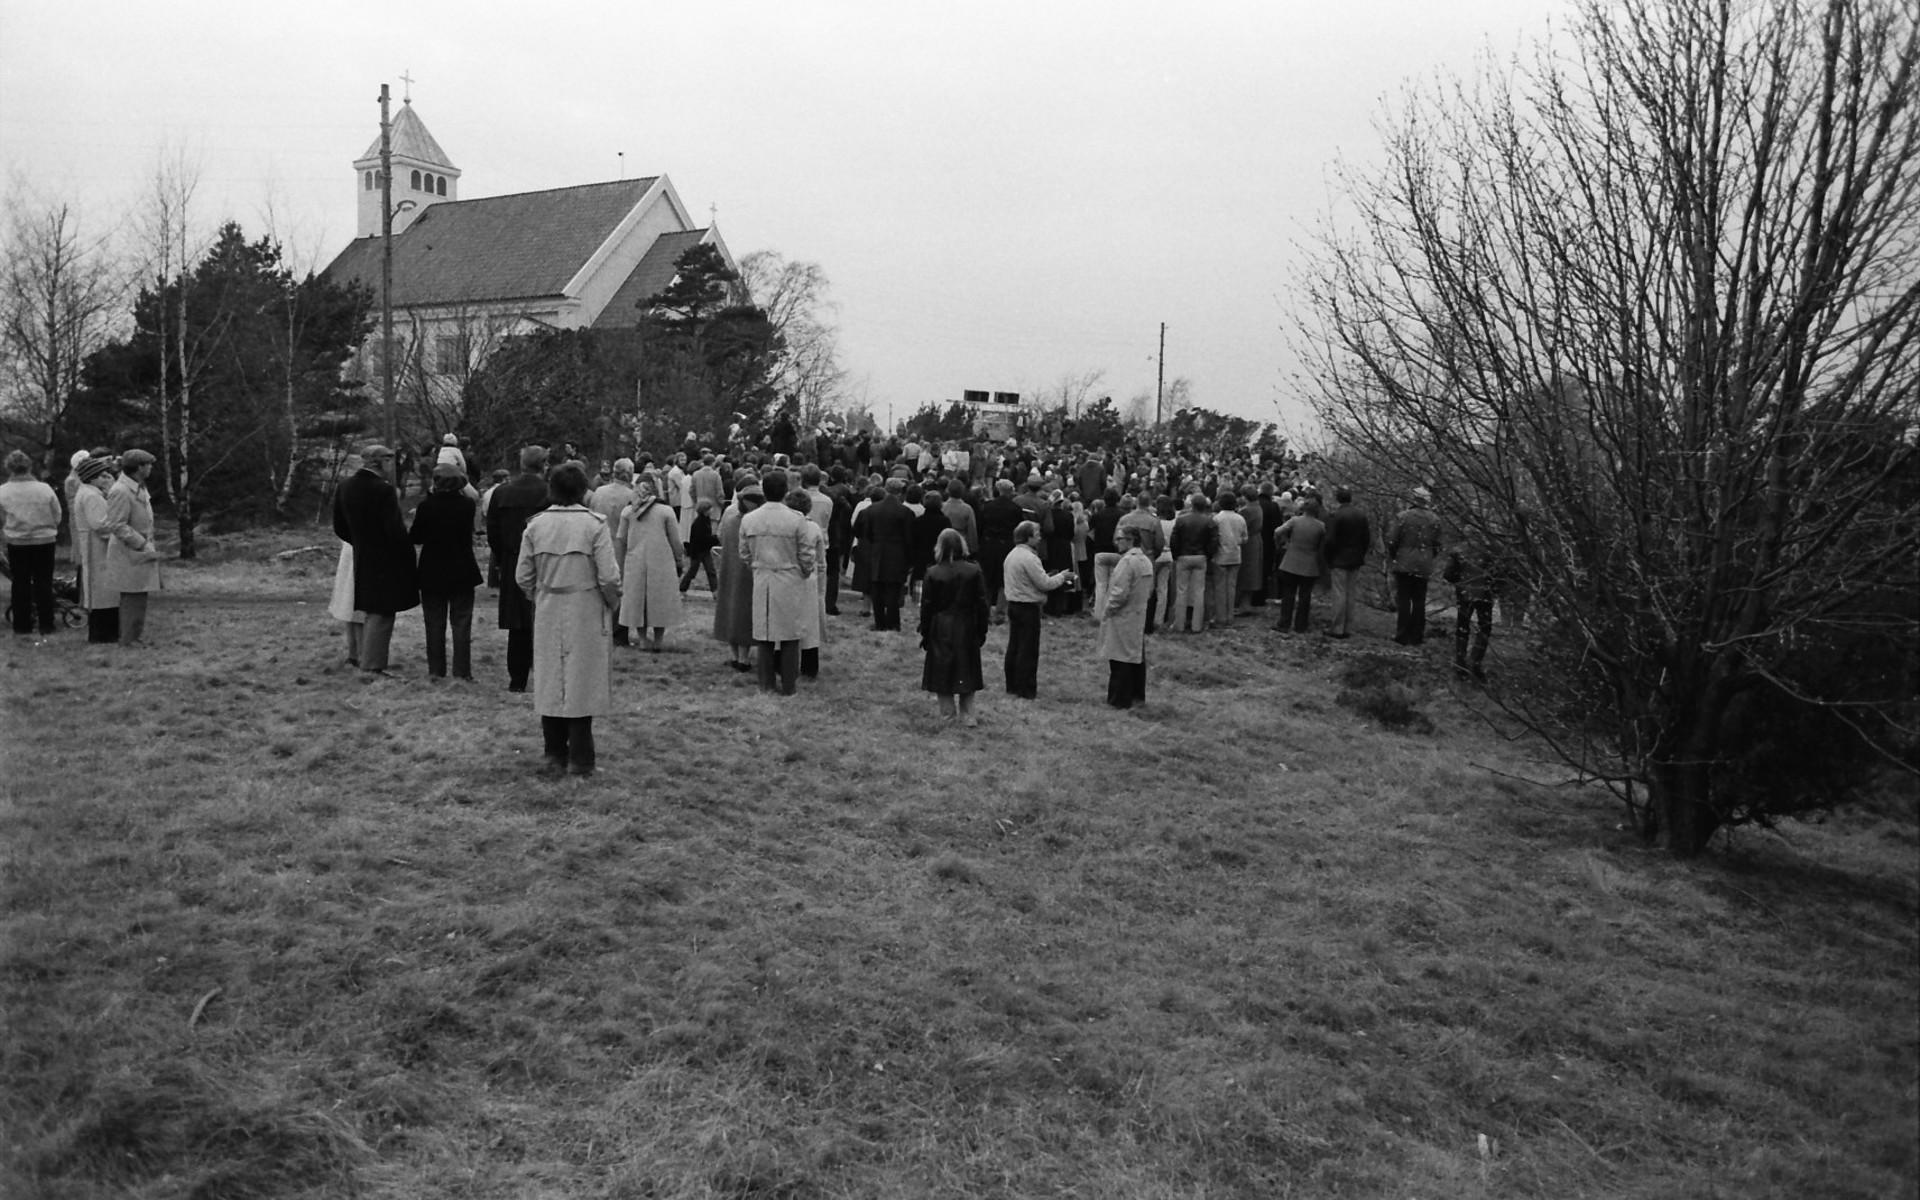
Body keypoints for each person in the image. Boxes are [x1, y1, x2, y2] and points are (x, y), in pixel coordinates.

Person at [515, 463, 620, 777]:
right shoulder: (594, 525)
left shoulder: (536, 526)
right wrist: (610, 604)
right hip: (585, 607)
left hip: (549, 607)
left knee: (551, 677)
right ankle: (581, 759)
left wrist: (542, 595)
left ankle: (555, 754)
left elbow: (522, 576)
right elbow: (610, 577)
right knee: (581, 680)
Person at [333, 444, 419, 675]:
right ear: (379, 462)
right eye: (390, 459)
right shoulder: (383, 490)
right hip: (386, 557)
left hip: (362, 555)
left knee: (370, 609)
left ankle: (366, 660)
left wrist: (360, 542)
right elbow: (394, 529)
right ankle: (373, 664)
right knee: (382, 611)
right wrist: (406, 554)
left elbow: (339, 525)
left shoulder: (345, 486)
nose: (393, 465)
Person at [738, 469, 817, 695]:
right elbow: (806, 553)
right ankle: (789, 685)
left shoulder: (749, 519)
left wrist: (757, 566)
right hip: (789, 578)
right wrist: (804, 571)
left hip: (763, 577)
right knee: (791, 634)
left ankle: (766, 684)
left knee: (764, 634)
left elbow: (743, 553)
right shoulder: (796, 519)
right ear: (785, 491)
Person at [410, 462, 483, 680]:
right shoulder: (467, 505)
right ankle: (462, 672)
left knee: (434, 623)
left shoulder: (426, 507)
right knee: (461, 623)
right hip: (462, 568)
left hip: (432, 569)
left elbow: (416, 537)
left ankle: (436, 670)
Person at [487, 447, 550, 691]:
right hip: (545, 561)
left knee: (517, 624)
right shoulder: (549, 492)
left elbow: (493, 531)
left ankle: (517, 679)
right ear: (543, 465)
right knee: (545, 619)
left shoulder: (502, 492)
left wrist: (503, 557)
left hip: (513, 559)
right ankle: (545, 677)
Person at [919, 527, 990, 725]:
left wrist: (925, 632)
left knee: (942, 669)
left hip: (941, 625)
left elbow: (926, 606)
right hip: (966, 624)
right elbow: (982, 603)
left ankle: (947, 714)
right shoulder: (973, 571)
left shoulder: (933, 573)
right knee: (967, 667)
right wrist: (982, 629)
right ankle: (968, 715)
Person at [1001, 519, 1073, 699]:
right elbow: (1045, 584)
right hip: (1028, 608)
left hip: (1014, 604)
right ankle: (1025, 689)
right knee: (1028, 650)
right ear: (1028, 537)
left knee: (1015, 647)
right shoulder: (1030, 558)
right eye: (1037, 534)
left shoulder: (1012, 555)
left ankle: (1012, 685)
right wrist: (1062, 577)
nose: (1040, 538)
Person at [614, 475, 686, 653]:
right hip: (661, 561)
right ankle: (658, 640)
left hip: (635, 560)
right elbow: (676, 541)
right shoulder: (666, 511)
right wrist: (679, 559)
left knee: (638, 600)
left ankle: (643, 639)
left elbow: (621, 539)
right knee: (658, 600)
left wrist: (619, 564)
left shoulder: (628, 512)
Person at [103, 449, 164, 647]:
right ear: (139, 468)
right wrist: (142, 544)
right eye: (148, 464)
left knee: (140, 594)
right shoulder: (120, 491)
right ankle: (129, 639)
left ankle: (134, 636)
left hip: (138, 551)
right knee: (132, 595)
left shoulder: (138, 487)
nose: (151, 468)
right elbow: (117, 524)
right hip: (128, 551)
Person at [0, 449, 63, 639]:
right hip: (44, 540)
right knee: (43, 582)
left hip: (17, 541)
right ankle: (46, 623)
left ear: (8, 468)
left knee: (20, 583)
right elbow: (57, 515)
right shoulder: (44, 489)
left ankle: (22, 625)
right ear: (29, 466)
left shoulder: (3, 491)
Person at [1098, 524, 1155, 709]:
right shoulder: (1145, 560)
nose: (1117, 542)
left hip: (1123, 615)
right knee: (1135, 658)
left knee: (1120, 659)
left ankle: (1119, 699)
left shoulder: (1127, 562)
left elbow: (1119, 592)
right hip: (1138, 615)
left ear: (1130, 540)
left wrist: (1108, 610)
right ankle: (1137, 696)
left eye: (1120, 538)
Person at [713, 472, 763, 672]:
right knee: (745, 610)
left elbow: (719, 534)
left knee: (729, 607)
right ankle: (744, 656)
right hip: (748, 567)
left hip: (728, 564)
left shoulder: (729, 513)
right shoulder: (756, 517)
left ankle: (734, 655)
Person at [1386, 486, 1445, 646]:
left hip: (1404, 562)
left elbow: (1392, 540)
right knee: (1419, 600)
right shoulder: (1435, 520)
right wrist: (1429, 557)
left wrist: (1395, 556)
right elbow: (1438, 544)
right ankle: (1417, 635)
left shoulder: (1403, 517)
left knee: (1404, 599)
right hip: (1424, 564)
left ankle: (1402, 634)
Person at [854, 478, 915, 631]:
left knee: (877, 589)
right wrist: (909, 559)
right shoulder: (906, 512)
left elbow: (862, 532)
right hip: (898, 554)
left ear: (886, 489)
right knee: (894, 590)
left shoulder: (871, 510)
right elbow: (910, 538)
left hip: (877, 552)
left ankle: (880, 622)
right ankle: (893, 623)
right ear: (900, 492)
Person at [69, 456, 119, 642]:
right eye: (102, 475)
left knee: (103, 591)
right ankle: (104, 634)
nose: (105, 478)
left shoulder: (90, 493)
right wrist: (118, 526)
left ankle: (105, 632)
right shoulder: (91, 496)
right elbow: (100, 524)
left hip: (96, 546)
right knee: (102, 591)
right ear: (92, 477)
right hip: (97, 547)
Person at [1444, 529, 1498, 681]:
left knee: (1463, 626)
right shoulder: (1489, 551)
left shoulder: (1457, 551)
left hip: (1464, 593)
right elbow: (1497, 574)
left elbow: (1448, 574)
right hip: (1484, 594)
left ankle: (1460, 663)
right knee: (1485, 627)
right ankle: (1475, 661)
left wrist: (1460, 583)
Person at [1270, 495, 1328, 634]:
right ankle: (1301, 625)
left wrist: (1283, 543)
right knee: (1305, 596)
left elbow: (1277, 531)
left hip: (1291, 560)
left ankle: (1284, 624)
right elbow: (1323, 544)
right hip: (1310, 564)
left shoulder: (1295, 521)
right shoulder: (1321, 526)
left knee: (1288, 594)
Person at [1322, 487, 1371, 640]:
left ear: (1338, 499)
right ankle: (1347, 627)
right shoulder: (1361, 515)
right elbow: (1366, 539)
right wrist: (1361, 554)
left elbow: (1330, 540)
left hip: (1339, 559)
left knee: (1339, 594)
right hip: (1355, 559)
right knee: (1350, 594)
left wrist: (1328, 558)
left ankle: (1337, 628)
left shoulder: (1336, 516)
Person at [977, 478, 1026, 621]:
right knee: (1003, 580)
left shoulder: (987, 506)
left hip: (988, 545)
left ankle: (984, 611)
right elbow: (1018, 530)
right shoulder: (1015, 509)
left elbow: (980, 526)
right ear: (1010, 491)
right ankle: (1000, 612)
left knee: (987, 579)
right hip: (1006, 546)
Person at [1168, 492, 1217, 633]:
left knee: (1181, 591)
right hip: (1201, 557)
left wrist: (1176, 555)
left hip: (1184, 556)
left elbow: (1174, 539)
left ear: (1192, 505)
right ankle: (1197, 625)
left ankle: (1179, 624)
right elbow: (1214, 541)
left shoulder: (1182, 520)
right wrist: (1208, 554)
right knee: (1199, 591)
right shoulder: (1209, 521)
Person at [1209, 490, 1247, 629]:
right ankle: (1230, 617)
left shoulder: (1217, 519)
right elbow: (1245, 538)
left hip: (1221, 556)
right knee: (1231, 587)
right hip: (1236, 556)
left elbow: (1213, 538)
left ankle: (1220, 617)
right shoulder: (1240, 518)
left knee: (1220, 588)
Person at [678, 497, 720, 595]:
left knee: (711, 570)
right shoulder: (699, 523)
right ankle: (682, 589)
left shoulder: (705, 520)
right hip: (697, 552)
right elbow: (702, 539)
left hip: (704, 550)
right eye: (710, 508)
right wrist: (715, 539)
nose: (711, 510)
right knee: (692, 571)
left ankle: (715, 591)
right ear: (705, 510)